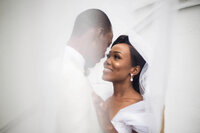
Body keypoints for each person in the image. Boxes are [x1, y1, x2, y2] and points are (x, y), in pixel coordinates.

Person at [55, 8, 113, 133]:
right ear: (98, 34)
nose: (105, 55)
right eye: (107, 44)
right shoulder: (71, 75)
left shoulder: (59, 65)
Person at [93, 35, 151, 133]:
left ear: (135, 70)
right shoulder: (104, 98)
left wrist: (107, 126)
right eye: (108, 56)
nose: (107, 61)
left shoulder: (140, 109)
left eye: (116, 57)